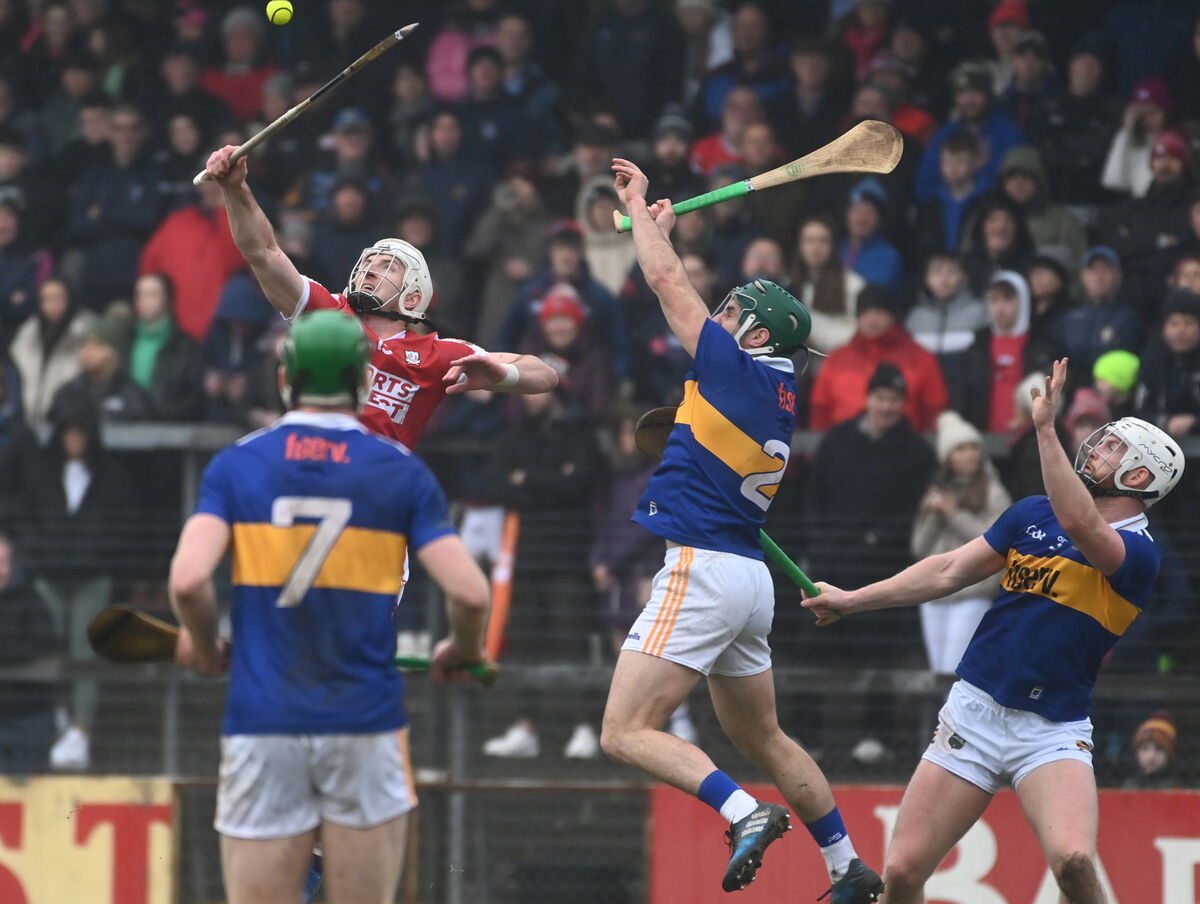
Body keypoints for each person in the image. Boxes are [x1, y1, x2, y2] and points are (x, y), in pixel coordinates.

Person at [601, 156, 883, 901]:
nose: (718, 316)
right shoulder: (777, 391)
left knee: (625, 730)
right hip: (749, 580)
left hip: (702, 569)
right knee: (764, 737)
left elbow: (669, 286)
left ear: (754, 330)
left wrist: (642, 216)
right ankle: (847, 867)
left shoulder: (736, 372)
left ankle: (743, 810)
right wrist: (658, 231)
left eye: (731, 311)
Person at [803, 358, 1185, 904]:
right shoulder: (1032, 513)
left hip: (1051, 729)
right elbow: (947, 570)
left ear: (1140, 478)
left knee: (1075, 861)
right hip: (976, 711)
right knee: (904, 871)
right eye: (1100, 443)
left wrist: (1045, 429)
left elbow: (1082, 523)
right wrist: (852, 600)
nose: (1093, 450)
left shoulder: (1141, 553)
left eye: (1111, 450)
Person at [169, 310, 491, 904]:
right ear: (363, 382)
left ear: (285, 376)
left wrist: (205, 644)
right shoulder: (400, 471)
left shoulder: (237, 464)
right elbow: (470, 593)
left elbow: (189, 581)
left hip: (264, 723)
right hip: (363, 725)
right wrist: (461, 648)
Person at [198, 143, 558, 449]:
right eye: (369, 261)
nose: (370, 268)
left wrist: (502, 373)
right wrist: (236, 189)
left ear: (414, 299)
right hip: (311, 471)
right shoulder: (328, 313)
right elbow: (263, 251)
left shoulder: (438, 356)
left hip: (378, 495)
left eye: (388, 265)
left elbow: (544, 374)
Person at [1122, 710, 1179, 789]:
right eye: (1145, 749)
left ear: (1169, 754)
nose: (1151, 756)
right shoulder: (1130, 786)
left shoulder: (1175, 789)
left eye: (1159, 749)